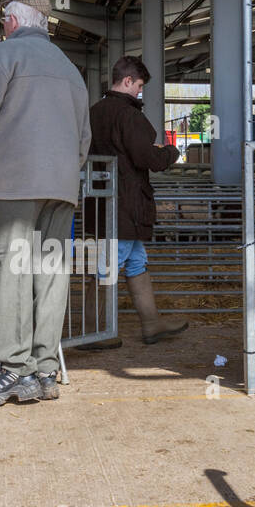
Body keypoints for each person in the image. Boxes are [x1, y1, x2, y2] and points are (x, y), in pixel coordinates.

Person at [0, 0, 90, 406]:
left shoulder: (2, 57)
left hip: (12, 183)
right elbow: (84, 137)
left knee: (10, 270)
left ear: (11, 22)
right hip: (61, 187)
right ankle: (45, 370)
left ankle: (11, 369)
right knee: (49, 273)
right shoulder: (70, 69)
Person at [89, 56, 188, 344]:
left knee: (135, 261)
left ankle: (151, 324)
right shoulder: (128, 115)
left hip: (103, 199)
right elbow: (147, 158)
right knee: (109, 265)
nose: (140, 92)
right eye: (140, 86)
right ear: (128, 81)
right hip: (127, 202)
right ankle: (96, 331)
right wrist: (170, 152)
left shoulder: (94, 112)